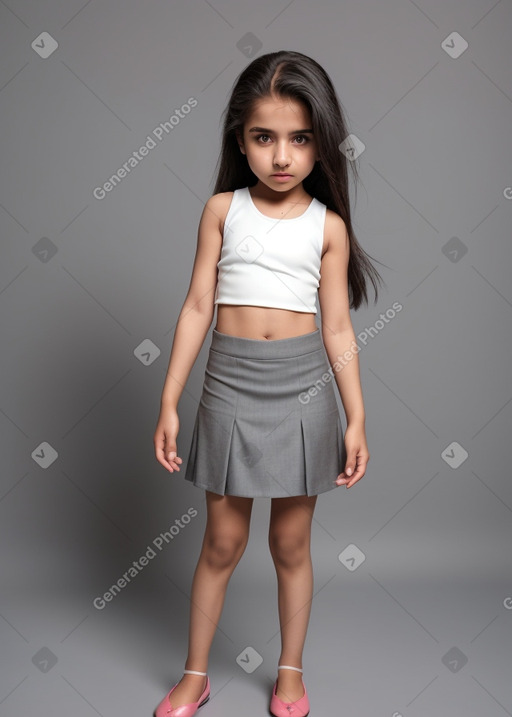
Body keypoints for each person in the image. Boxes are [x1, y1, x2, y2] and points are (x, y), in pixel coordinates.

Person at [153, 50, 384, 717]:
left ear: (320, 143)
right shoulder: (222, 210)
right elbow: (197, 306)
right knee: (221, 542)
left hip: (303, 391)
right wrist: (169, 399)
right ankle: (195, 674)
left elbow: (338, 329)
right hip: (229, 386)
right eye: (264, 137)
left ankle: (289, 673)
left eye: (300, 138)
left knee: (290, 543)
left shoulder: (328, 226)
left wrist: (356, 416)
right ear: (240, 139)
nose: (282, 155)